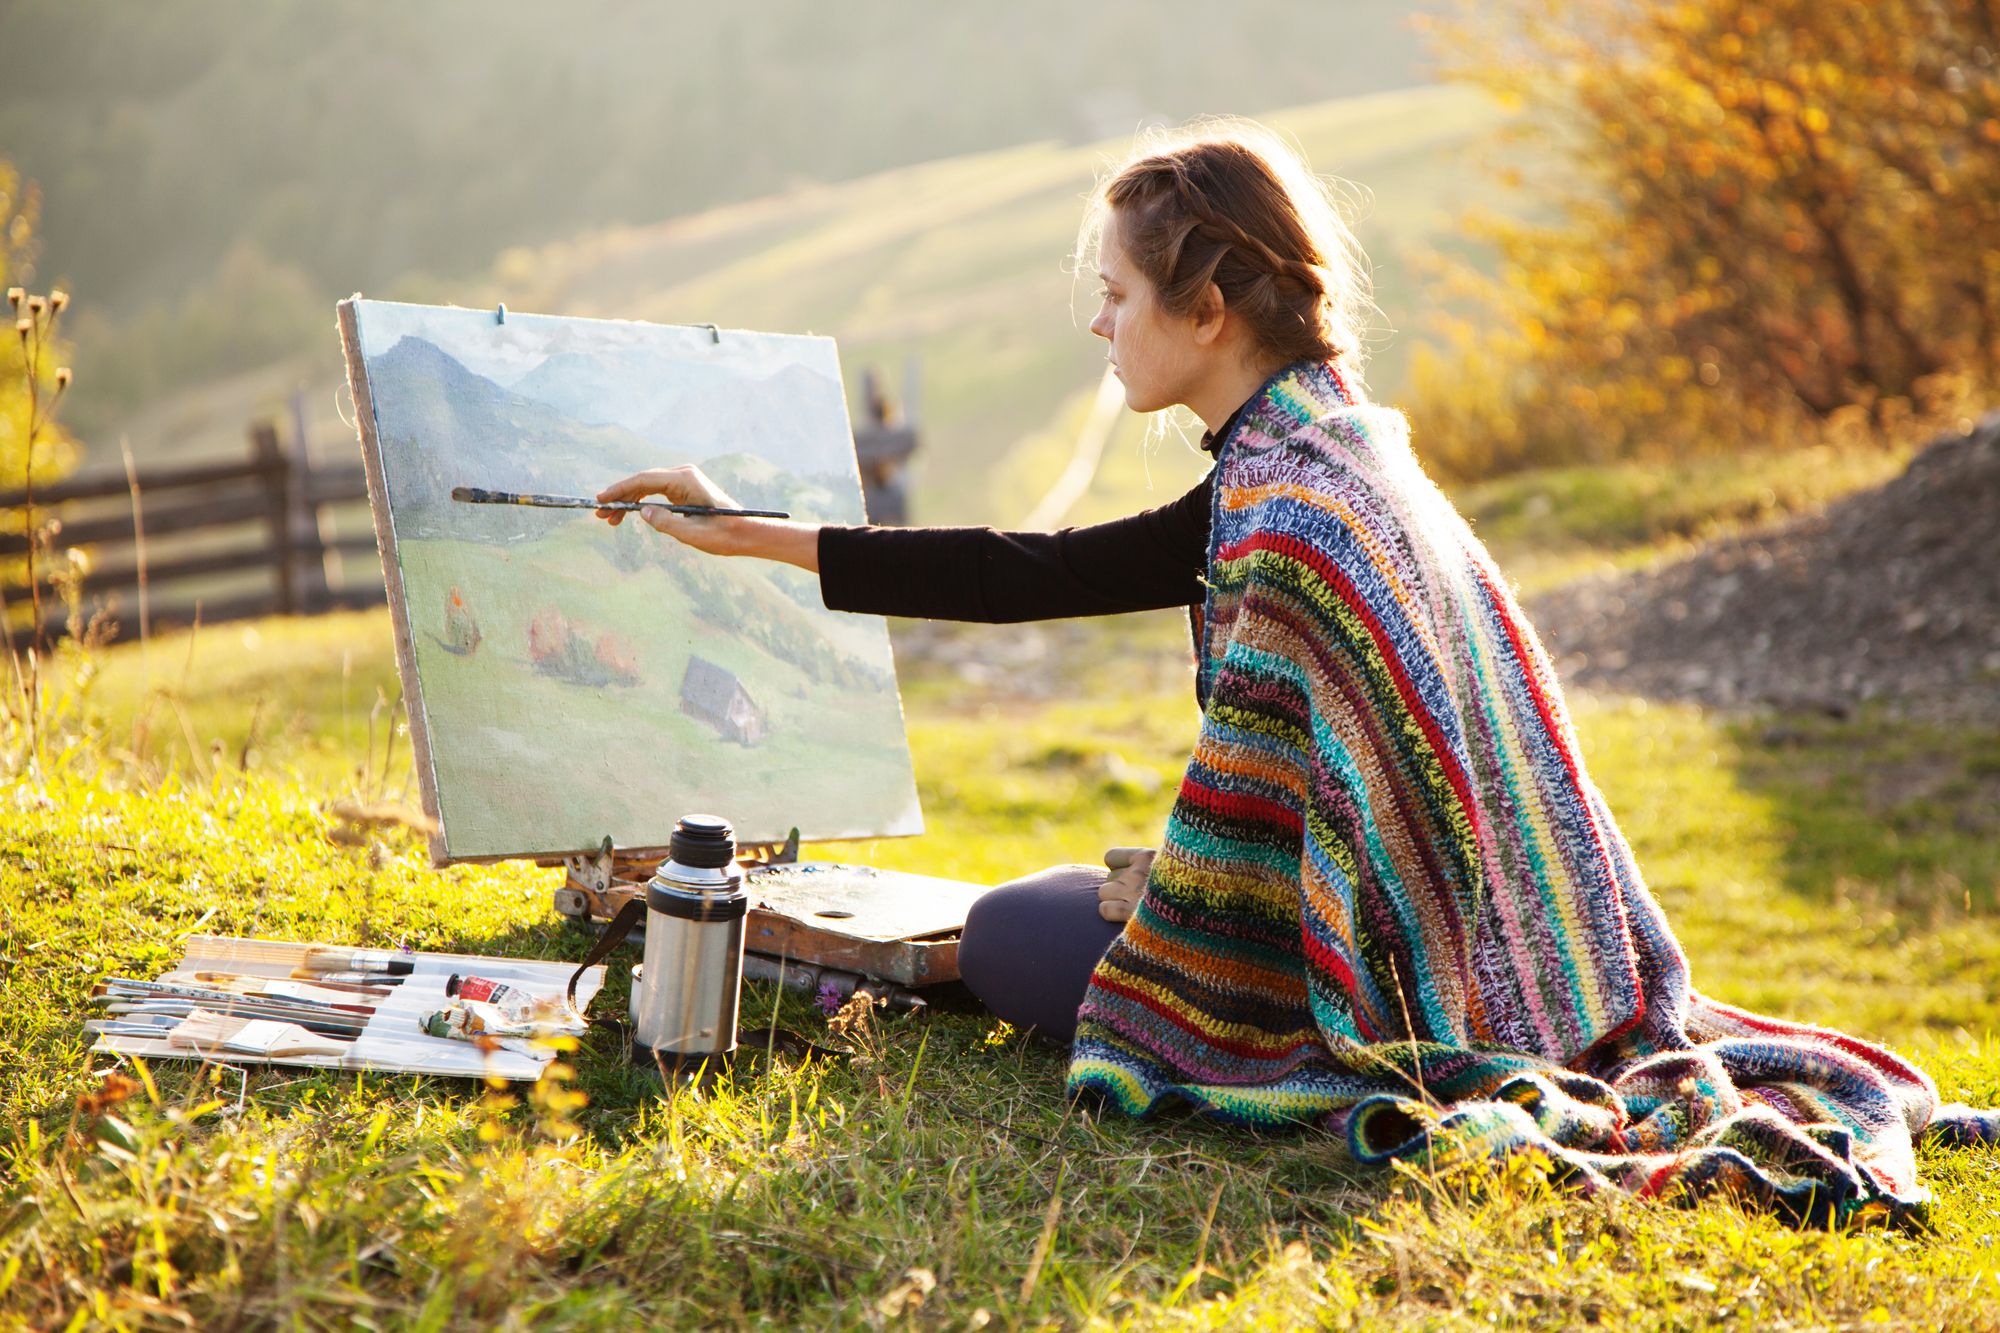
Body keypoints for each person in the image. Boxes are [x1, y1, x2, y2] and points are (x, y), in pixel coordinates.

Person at [598, 121, 1996, 1226]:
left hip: (1374, 966)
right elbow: (1037, 568)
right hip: (1464, 922)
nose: (1099, 325)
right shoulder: (1319, 446)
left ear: (1205, 308)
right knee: (1019, 921)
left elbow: (1249, 858)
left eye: (1116, 294)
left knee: (1012, 937)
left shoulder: (1291, 508)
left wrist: (1162, 906)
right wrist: (744, 532)